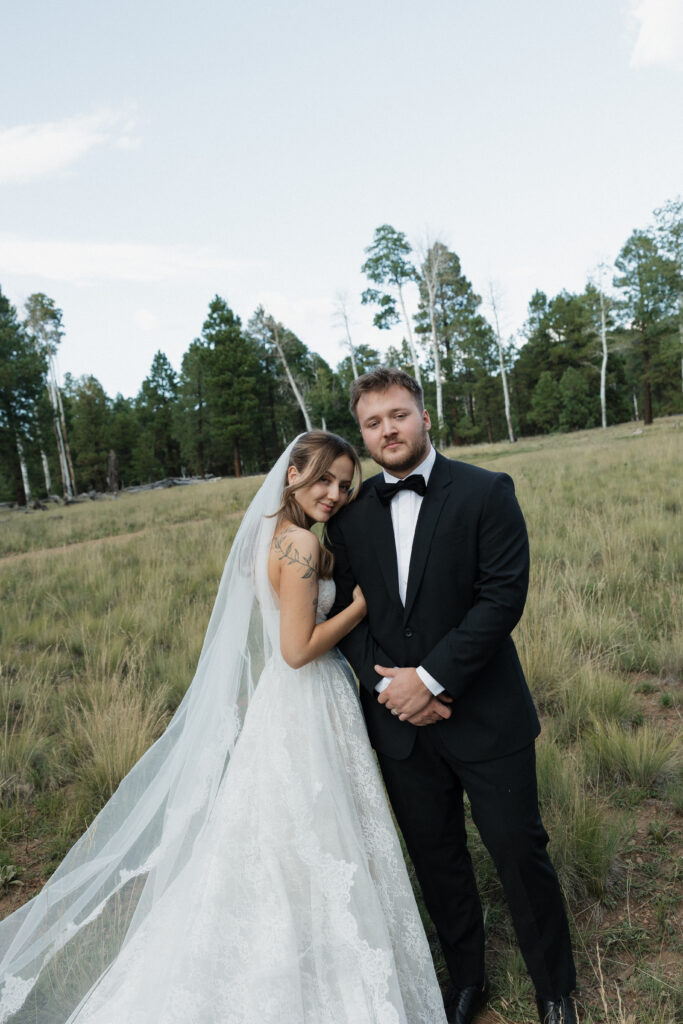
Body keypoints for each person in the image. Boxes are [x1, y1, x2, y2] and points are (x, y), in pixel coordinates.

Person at [0, 432, 448, 1024]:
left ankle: (306, 938)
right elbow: (296, 650)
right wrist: (359, 606)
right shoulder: (302, 549)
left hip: (282, 706)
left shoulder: (269, 536)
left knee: (285, 833)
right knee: (317, 826)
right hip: (306, 701)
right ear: (292, 475)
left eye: (344, 484)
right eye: (323, 480)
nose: (335, 494)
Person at [327, 369, 578, 1024]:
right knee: (436, 858)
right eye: (373, 422)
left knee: (518, 852)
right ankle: (467, 980)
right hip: (400, 727)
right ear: (362, 434)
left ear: (424, 416)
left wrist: (429, 680)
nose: (388, 430)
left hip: (486, 715)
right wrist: (388, 687)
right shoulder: (349, 520)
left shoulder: (485, 491)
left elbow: (501, 598)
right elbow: (343, 616)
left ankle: (555, 990)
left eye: (398, 415)